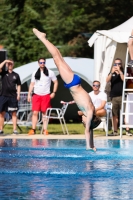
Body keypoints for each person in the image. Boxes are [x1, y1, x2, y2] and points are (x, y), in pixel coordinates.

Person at [32, 28, 101, 151]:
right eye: (84, 122)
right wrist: (88, 147)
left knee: (59, 58)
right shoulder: (90, 113)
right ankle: (42, 38)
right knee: (57, 59)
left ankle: (44, 38)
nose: (83, 121)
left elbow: (90, 130)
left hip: (75, 81)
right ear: (89, 121)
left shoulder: (91, 110)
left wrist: (93, 145)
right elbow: (87, 130)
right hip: (72, 83)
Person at [27, 57, 58, 135]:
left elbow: (56, 82)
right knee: (35, 113)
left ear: (45, 63)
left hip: (46, 95)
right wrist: (29, 94)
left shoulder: (50, 72)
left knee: (45, 113)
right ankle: (33, 129)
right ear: (38, 63)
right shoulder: (35, 73)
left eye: (43, 62)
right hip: (36, 95)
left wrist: (54, 92)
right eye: (41, 62)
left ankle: (45, 130)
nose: (42, 64)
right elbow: (32, 84)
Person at [0, 59, 21, 134]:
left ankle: (15, 130)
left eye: (11, 64)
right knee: (2, 113)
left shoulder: (16, 75)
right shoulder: (3, 73)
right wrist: (5, 61)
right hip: (4, 95)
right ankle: (1, 130)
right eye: (8, 64)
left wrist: (18, 94)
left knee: (14, 113)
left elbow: (18, 85)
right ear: (6, 65)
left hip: (13, 96)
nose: (10, 65)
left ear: (13, 65)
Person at [106, 58, 124, 136]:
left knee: (123, 113)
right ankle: (115, 131)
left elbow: (124, 80)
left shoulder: (123, 71)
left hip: (122, 96)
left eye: (119, 64)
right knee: (114, 114)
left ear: (121, 64)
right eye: (115, 64)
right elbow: (107, 80)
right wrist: (111, 72)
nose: (117, 65)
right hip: (114, 96)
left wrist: (119, 71)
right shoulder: (111, 73)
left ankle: (126, 130)